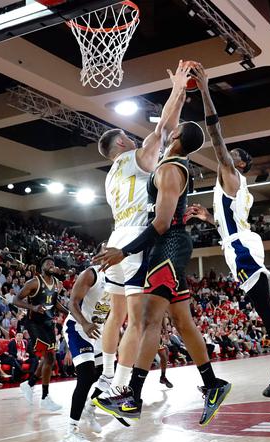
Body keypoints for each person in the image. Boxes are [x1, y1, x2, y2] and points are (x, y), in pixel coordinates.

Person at [94, 83, 230, 425]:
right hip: (168, 243)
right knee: (181, 322)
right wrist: (179, 93)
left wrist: (123, 251)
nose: (167, 133)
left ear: (178, 139)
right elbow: (165, 127)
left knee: (148, 320)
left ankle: (131, 396)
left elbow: (162, 222)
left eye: (174, 133)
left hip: (166, 244)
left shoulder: (169, 167)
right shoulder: (167, 163)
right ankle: (213, 384)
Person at [184, 64, 270, 397]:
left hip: (241, 248)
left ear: (240, 163)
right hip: (240, 241)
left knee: (263, 308)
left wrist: (204, 92)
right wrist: (211, 219)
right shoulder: (235, 187)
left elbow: (215, 136)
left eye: (231, 156)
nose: (224, 157)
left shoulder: (230, 174)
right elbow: (233, 221)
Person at [95, 60, 189, 397]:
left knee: (115, 315)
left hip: (116, 236)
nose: (134, 139)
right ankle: (119, 388)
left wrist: (178, 99)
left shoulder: (110, 176)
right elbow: (164, 128)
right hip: (135, 241)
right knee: (137, 321)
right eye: (127, 137)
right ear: (120, 145)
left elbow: (167, 130)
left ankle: (106, 374)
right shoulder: (135, 157)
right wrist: (177, 89)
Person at [62, 262, 110, 442]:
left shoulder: (121, 279)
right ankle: (70, 432)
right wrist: (85, 324)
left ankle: (89, 408)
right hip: (79, 327)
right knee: (86, 376)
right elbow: (71, 303)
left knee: (108, 374)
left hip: (99, 331)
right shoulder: (92, 274)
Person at [16, 257, 66, 411]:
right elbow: (16, 300)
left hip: (49, 323)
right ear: (42, 267)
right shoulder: (34, 282)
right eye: (48, 263)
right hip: (34, 324)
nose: (51, 265)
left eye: (53, 264)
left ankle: (29, 384)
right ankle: (44, 397)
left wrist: (69, 312)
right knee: (49, 358)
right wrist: (32, 307)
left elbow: (55, 303)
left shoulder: (57, 283)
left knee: (49, 360)